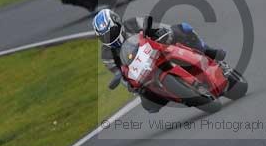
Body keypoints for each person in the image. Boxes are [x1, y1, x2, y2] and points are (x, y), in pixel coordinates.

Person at [93, 8, 226, 113]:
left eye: (111, 32)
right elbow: (120, 74)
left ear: (118, 23)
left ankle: (208, 51)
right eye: (103, 37)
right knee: (149, 106)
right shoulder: (106, 55)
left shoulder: (132, 23)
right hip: (142, 74)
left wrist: (161, 32)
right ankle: (179, 95)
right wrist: (126, 82)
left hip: (156, 49)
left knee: (183, 29)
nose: (108, 38)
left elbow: (155, 26)